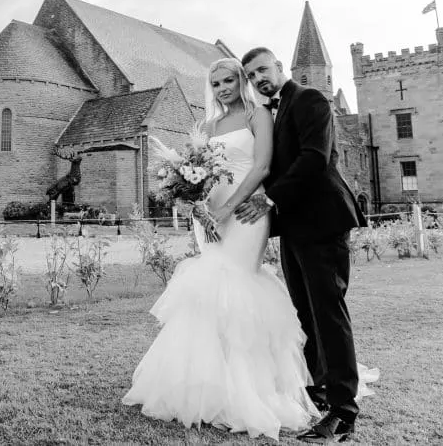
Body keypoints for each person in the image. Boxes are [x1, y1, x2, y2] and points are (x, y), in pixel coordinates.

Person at [122, 57, 319, 441]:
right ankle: (207, 386)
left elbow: (261, 166)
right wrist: (195, 200)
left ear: (241, 80)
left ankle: (252, 391)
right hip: (211, 215)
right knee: (210, 293)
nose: (223, 88)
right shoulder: (208, 126)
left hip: (246, 211)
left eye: (229, 80)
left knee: (238, 286)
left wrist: (229, 207)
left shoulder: (258, 116)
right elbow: (200, 171)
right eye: (215, 84)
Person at [235, 47, 372, 444]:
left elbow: (315, 158)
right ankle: (320, 388)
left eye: (263, 69)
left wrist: (269, 198)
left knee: (329, 313)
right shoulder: (271, 112)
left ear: (279, 67)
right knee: (305, 313)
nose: (259, 78)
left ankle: (344, 413)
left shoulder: (310, 98)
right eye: (252, 75)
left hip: (323, 220)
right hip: (293, 226)